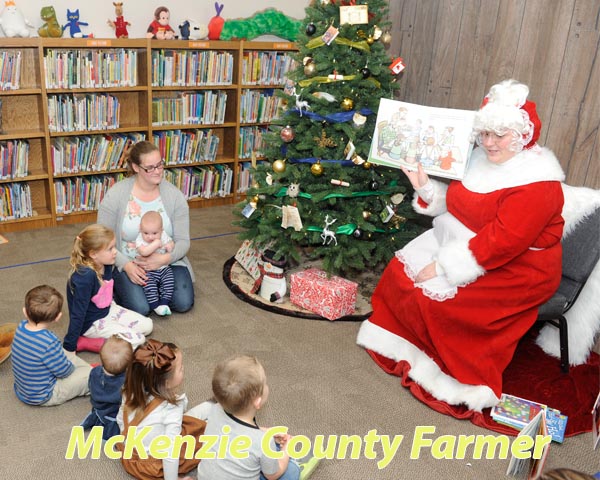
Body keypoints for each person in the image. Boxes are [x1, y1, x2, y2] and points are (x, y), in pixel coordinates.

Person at [357, 79, 566, 412]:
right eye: (485, 134)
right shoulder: (481, 159)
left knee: (441, 301)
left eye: (500, 135)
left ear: (522, 135)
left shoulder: (538, 184)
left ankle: (458, 381)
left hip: (521, 268)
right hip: (468, 243)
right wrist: (425, 187)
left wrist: (441, 267)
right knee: (401, 274)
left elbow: (503, 241)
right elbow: (460, 205)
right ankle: (405, 348)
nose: (489, 143)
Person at [97, 140, 195, 316]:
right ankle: (122, 288)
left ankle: (152, 291)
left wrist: (164, 259)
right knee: (141, 309)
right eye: (150, 168)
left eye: (160, 165)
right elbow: (102, 240)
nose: (157, 171)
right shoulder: (116, 195)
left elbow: (183, 241)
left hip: (167, 262)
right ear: (136, 167)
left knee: (183, 303)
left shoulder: (174, 196)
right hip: (129, 261)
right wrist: (126, 265)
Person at [188, 355, 320, 480]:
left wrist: (266, 431)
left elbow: (236, 431)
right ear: (257, 401)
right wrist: (287, 449)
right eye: (265, 384)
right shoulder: (263, 442)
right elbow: (272, 476)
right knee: (291, 471)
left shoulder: (215, 411)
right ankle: (292, 460)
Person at [116, 339, 206, 480]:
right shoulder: (171, 408)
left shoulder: (129, 390)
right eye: (181, 368)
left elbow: (121, 419)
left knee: (182, 422)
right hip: (152, 466)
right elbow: (170, 452)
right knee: (205, 436)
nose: (184, 369)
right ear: (167, 383)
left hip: (129, 456)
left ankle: (210, 407)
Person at [64, 224, 153, 354]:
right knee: (138, 340)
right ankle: (86, 342)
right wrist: (69, 345)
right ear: (93, 254)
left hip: (108, 309)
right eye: (110, 249)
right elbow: (78, 313)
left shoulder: (105, 263)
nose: (115, 251)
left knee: (148, 326)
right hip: (92, 323)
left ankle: (116, 333)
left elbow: (106, 294)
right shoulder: (85, 277)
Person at [11, 285, 91, 406]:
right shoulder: (49, 342)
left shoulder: (21, 327)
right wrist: (71, 368)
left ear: (25, 312)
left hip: (24, 389)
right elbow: (64, 372)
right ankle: (94, 378)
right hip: (44, 395)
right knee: (90, 377)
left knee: (63, 354)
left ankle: (88, 370)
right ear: (58, 317)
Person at [81, 335, 133, 440]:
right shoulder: (127, 382)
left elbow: (91, 386)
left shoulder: (94, 372)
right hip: (114, 413)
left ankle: (95, 419)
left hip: (99, 407)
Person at [136, 210, 175, 316]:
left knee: (169, 282)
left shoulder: (163, 235)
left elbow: (170, 242)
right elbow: (144, 252)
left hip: (163, 268)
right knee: (149, 287)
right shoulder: (140, 238)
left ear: (161, 230)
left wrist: (170, 246)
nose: (150, 237)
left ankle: (164, 303)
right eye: (146, 233)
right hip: (147, 270)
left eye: (154, 233)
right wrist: (156, 243)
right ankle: (155, 306)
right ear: (141, 230)